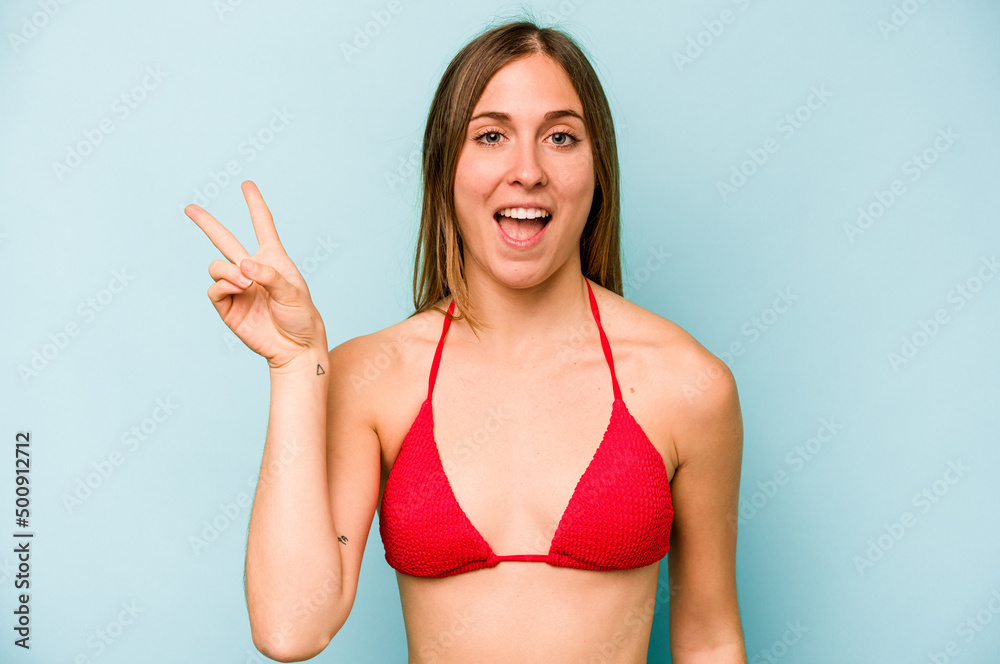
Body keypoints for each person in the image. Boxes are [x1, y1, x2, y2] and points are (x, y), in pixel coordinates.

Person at [185, 18, 747, 664]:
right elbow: (290, 628)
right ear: (445, 166)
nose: (527, 170)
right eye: (491, 136)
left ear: (598, 170)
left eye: (560, 137)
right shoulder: (375, 377)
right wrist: (293, 365)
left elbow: (708, 637)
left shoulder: (688, 385)